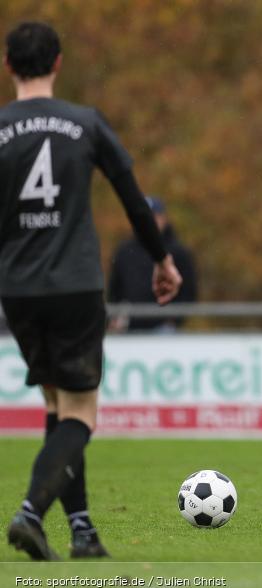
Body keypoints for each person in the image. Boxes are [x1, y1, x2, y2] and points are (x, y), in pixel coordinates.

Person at [1, 22, 182, 559]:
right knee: (81, 412)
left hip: (17, 287)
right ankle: (31, 514)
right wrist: (161, 259)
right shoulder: (84, 123)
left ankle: (82, 531)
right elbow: (132, 199)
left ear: (9, 65)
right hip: (75, 284)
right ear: (58, 62)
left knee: (58, 406)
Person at [108, 195, 197, 332]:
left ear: (163, 218)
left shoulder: (178, 252)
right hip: (130, 328)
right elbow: (115, 290)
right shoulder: (125, 251)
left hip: (163, 329)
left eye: (153, 217)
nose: (149, 222)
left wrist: (174, 320)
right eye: (145, 218)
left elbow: (189, 291)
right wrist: (115, 317)